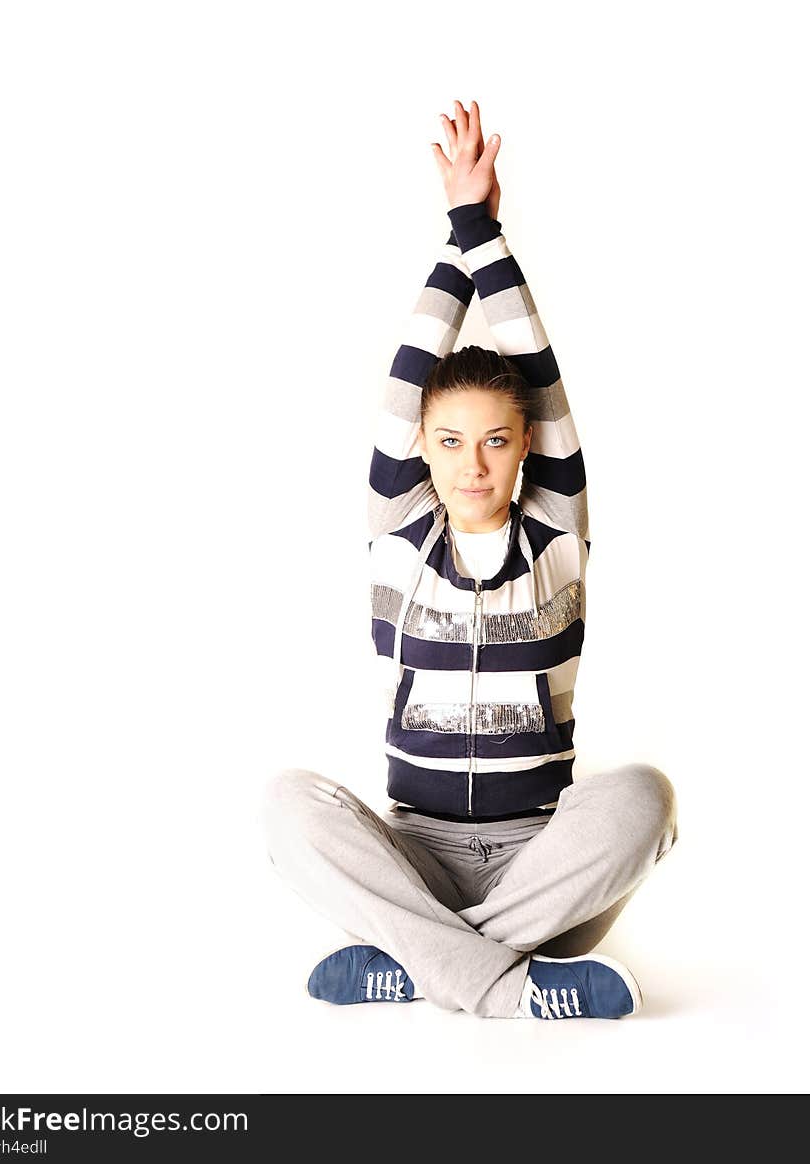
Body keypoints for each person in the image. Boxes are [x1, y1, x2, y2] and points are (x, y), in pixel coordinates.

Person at [261, 99, 678, 1020]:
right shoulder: (398, 527)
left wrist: (482, 234)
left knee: (646, 797)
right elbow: (411, 370)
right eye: (449, 442)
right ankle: (501, 988)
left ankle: (421, 967)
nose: (474, 464)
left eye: (496, 440)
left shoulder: (555, 532)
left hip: (546, 870)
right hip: (419, 856)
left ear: (526, 445)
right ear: (424, 448)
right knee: (288, 805)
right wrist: (461, 230)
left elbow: (540, 368)